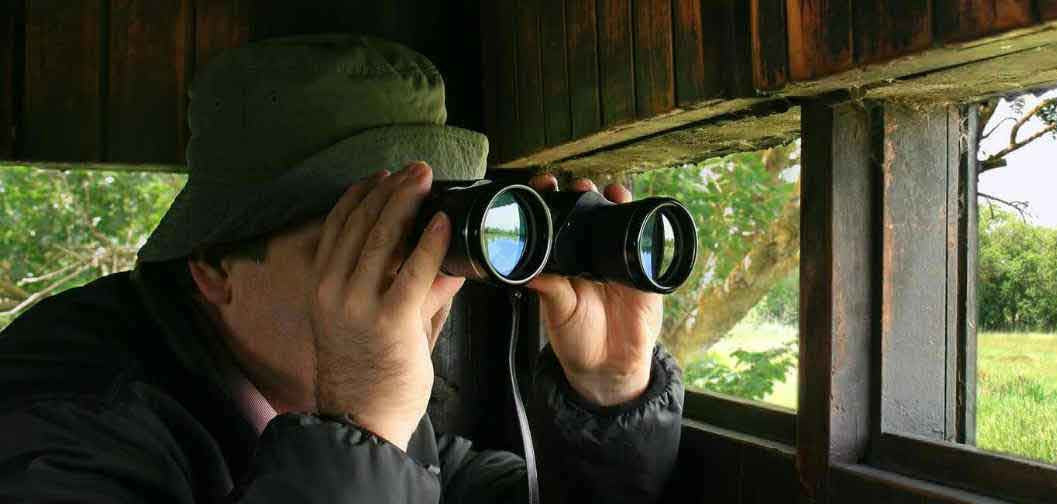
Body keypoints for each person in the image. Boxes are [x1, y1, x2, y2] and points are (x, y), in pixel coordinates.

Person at [0, 35, 683, 503]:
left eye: (431, 240)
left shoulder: (316, 376)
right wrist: (360, 431)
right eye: (360, 241)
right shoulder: (62, 417)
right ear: (214, 265)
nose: (412, 281)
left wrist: (608, 397)